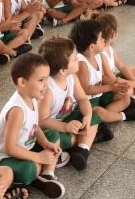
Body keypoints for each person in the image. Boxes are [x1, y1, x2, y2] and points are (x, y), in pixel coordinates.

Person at [0, 53, 66, 198]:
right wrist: (39, 157)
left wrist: (46, 143)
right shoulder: (17, 110)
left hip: (24, 148)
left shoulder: (33, 97)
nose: (46, 85)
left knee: (53, 134)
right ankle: (35, 177)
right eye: (41, 80)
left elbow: (34, 127)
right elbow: (10, 148)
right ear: (22, 82)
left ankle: (47, 174)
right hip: (3, 159)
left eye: (46, 79)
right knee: (29, 169)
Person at [38, 37, 98, 171]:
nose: (79, 59)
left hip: (67, 119)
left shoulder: (72, 77)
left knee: (93, 113)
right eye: (75, 59)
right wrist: (65, 127)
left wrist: (87, 115)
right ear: (62, 70)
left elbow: (83, 99)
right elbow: (41, 121)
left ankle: (83, 150)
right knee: (69, 139)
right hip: (52, 127)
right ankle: (87, 139)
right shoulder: (49, 89)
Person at [71, 20, 135, 124]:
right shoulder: (83, 64)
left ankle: (106, 117)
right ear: (92, 47)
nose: (103, 39)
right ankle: (123, 116)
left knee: (125, 98)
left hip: (100, 95)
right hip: (88, 103)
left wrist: (116, 86)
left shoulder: (99, 56)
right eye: (101, 38)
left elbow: (104, 77)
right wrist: (111, 87)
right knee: (98, 112)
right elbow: (86, 90)